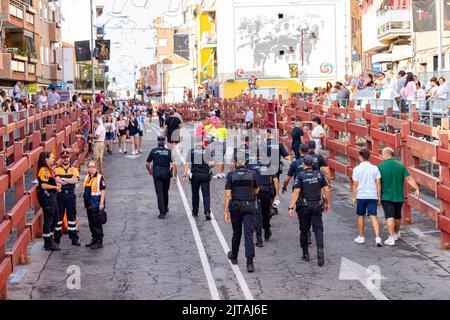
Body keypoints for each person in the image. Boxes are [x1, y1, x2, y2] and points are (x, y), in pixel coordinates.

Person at [288, 156, 331, 266]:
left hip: (304, 207)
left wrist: (291, 207)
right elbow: (326, 189)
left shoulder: (300, 176)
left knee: (304, 230)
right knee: (318, 229)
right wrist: (327, 203)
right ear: (312, 164)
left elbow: (296, 192)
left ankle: (306, 254)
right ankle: (320, 250)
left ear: (303, 164)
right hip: (317, 205)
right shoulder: (320, 174)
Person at [224, 151, 259, 273]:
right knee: (248, 234)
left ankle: (234, 255)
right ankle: (250, 263)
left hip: (236, 206)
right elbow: (256, 190)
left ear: (234, 163)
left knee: (236, 232)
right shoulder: (252, 174)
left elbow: (228, 195)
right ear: (246, 163)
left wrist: (226, 211)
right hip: (249, 205)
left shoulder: (231, 175)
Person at [378, 147, 420, 246]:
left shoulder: (380, 167)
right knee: (397, 217)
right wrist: (416, 188)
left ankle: (391, 237)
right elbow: (409, 178)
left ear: (387, 155)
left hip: (386, 196)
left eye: (382, 154)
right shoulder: (401, 166)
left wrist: (377, 196)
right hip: (398, 196)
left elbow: (378, 182)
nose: (381, 156)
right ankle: (396, 234)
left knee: (389, 217)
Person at [352, 148, 382, 247]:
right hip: (372, 195)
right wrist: (379, 197)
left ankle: (361, 237)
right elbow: (378, 183)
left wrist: (354, 197)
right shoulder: (375, 168)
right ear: (369, 157)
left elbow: (355, 185)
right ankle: (377, 238)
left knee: (361, 216)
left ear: (360, 156)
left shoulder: (356, 169)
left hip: (361, 195)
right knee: (373, 216)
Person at [247, 156, 279, 247]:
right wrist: (277, 195)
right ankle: (267, 231)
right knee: (266, 213)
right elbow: (275, 180)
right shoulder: (268, 164)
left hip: (255, 192)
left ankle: (259, 238)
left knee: (257, 215)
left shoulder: (250, 165)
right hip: (266, 191)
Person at [183, 140, 215, 220]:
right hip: (204, 174)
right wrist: (207, 166)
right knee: (206, 194)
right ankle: (207, 211)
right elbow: (213, 163)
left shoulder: (191, 151)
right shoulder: (207, 151)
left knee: (195, 194)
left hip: (195, 175)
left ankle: (195, 212)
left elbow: (187, 164)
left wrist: (184, 175)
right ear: (201, 142)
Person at [146, 136, 177, 219]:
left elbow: (147, 163)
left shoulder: (153, 151)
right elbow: (174, 164)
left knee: (159, 193)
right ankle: (166, 208)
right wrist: (175, 176)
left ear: (157, 142)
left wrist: (149, 170)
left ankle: (162, 213)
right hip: (166, 173)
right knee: (165, 191)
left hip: (156, 172)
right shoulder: (169, 152)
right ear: (165, 142)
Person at [54, 151, 81, 246]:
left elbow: (76, 180)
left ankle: (74, 239)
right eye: (63, 157)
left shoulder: (74, 169)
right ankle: (56, 240)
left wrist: (63, 179)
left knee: (72, 217)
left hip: (70, 195)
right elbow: (57, 180)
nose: (65, 159)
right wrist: (70, 181)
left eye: (67, 157)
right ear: (61, 159)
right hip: (60, 196)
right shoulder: (57, 169)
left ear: (69, 158)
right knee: (59, 218)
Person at [37, 151, 62, 251]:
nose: (53, 159)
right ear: (46, 159)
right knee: (48, 220)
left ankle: (50, 240)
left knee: (55, 218)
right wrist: (55, 187)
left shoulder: (48, 169)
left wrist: (56, 186)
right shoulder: (44, 170)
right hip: (47, 198)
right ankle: (48, 243)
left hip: (52, 197)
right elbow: (43, 185)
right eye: (51, 158)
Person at [83, 160, 106, 249]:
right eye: (89, 167)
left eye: (93, 167)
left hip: (96, 203)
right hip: (88, 203)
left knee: (97, 223)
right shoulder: (87, 177)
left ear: (96, 168)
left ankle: (99, 242)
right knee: (91, 223)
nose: (91, 169)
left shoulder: (100, 178)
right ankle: (94, 239)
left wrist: (101, 203)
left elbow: (103, 190)